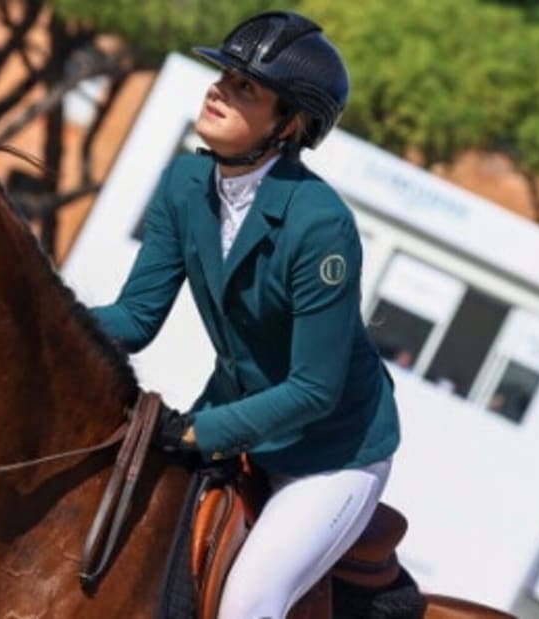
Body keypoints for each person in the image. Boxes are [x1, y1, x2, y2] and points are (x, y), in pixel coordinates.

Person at [90, 11, 401, 618]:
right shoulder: (185, 182)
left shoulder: (320, 225)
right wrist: (44, 323)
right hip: (234, 418)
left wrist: (199, 432)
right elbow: (136, 317)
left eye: (245, 88)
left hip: (331, 454)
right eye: (223, 76)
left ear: (289, 124)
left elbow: (314, 389)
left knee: (248, 603)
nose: (218, 90)